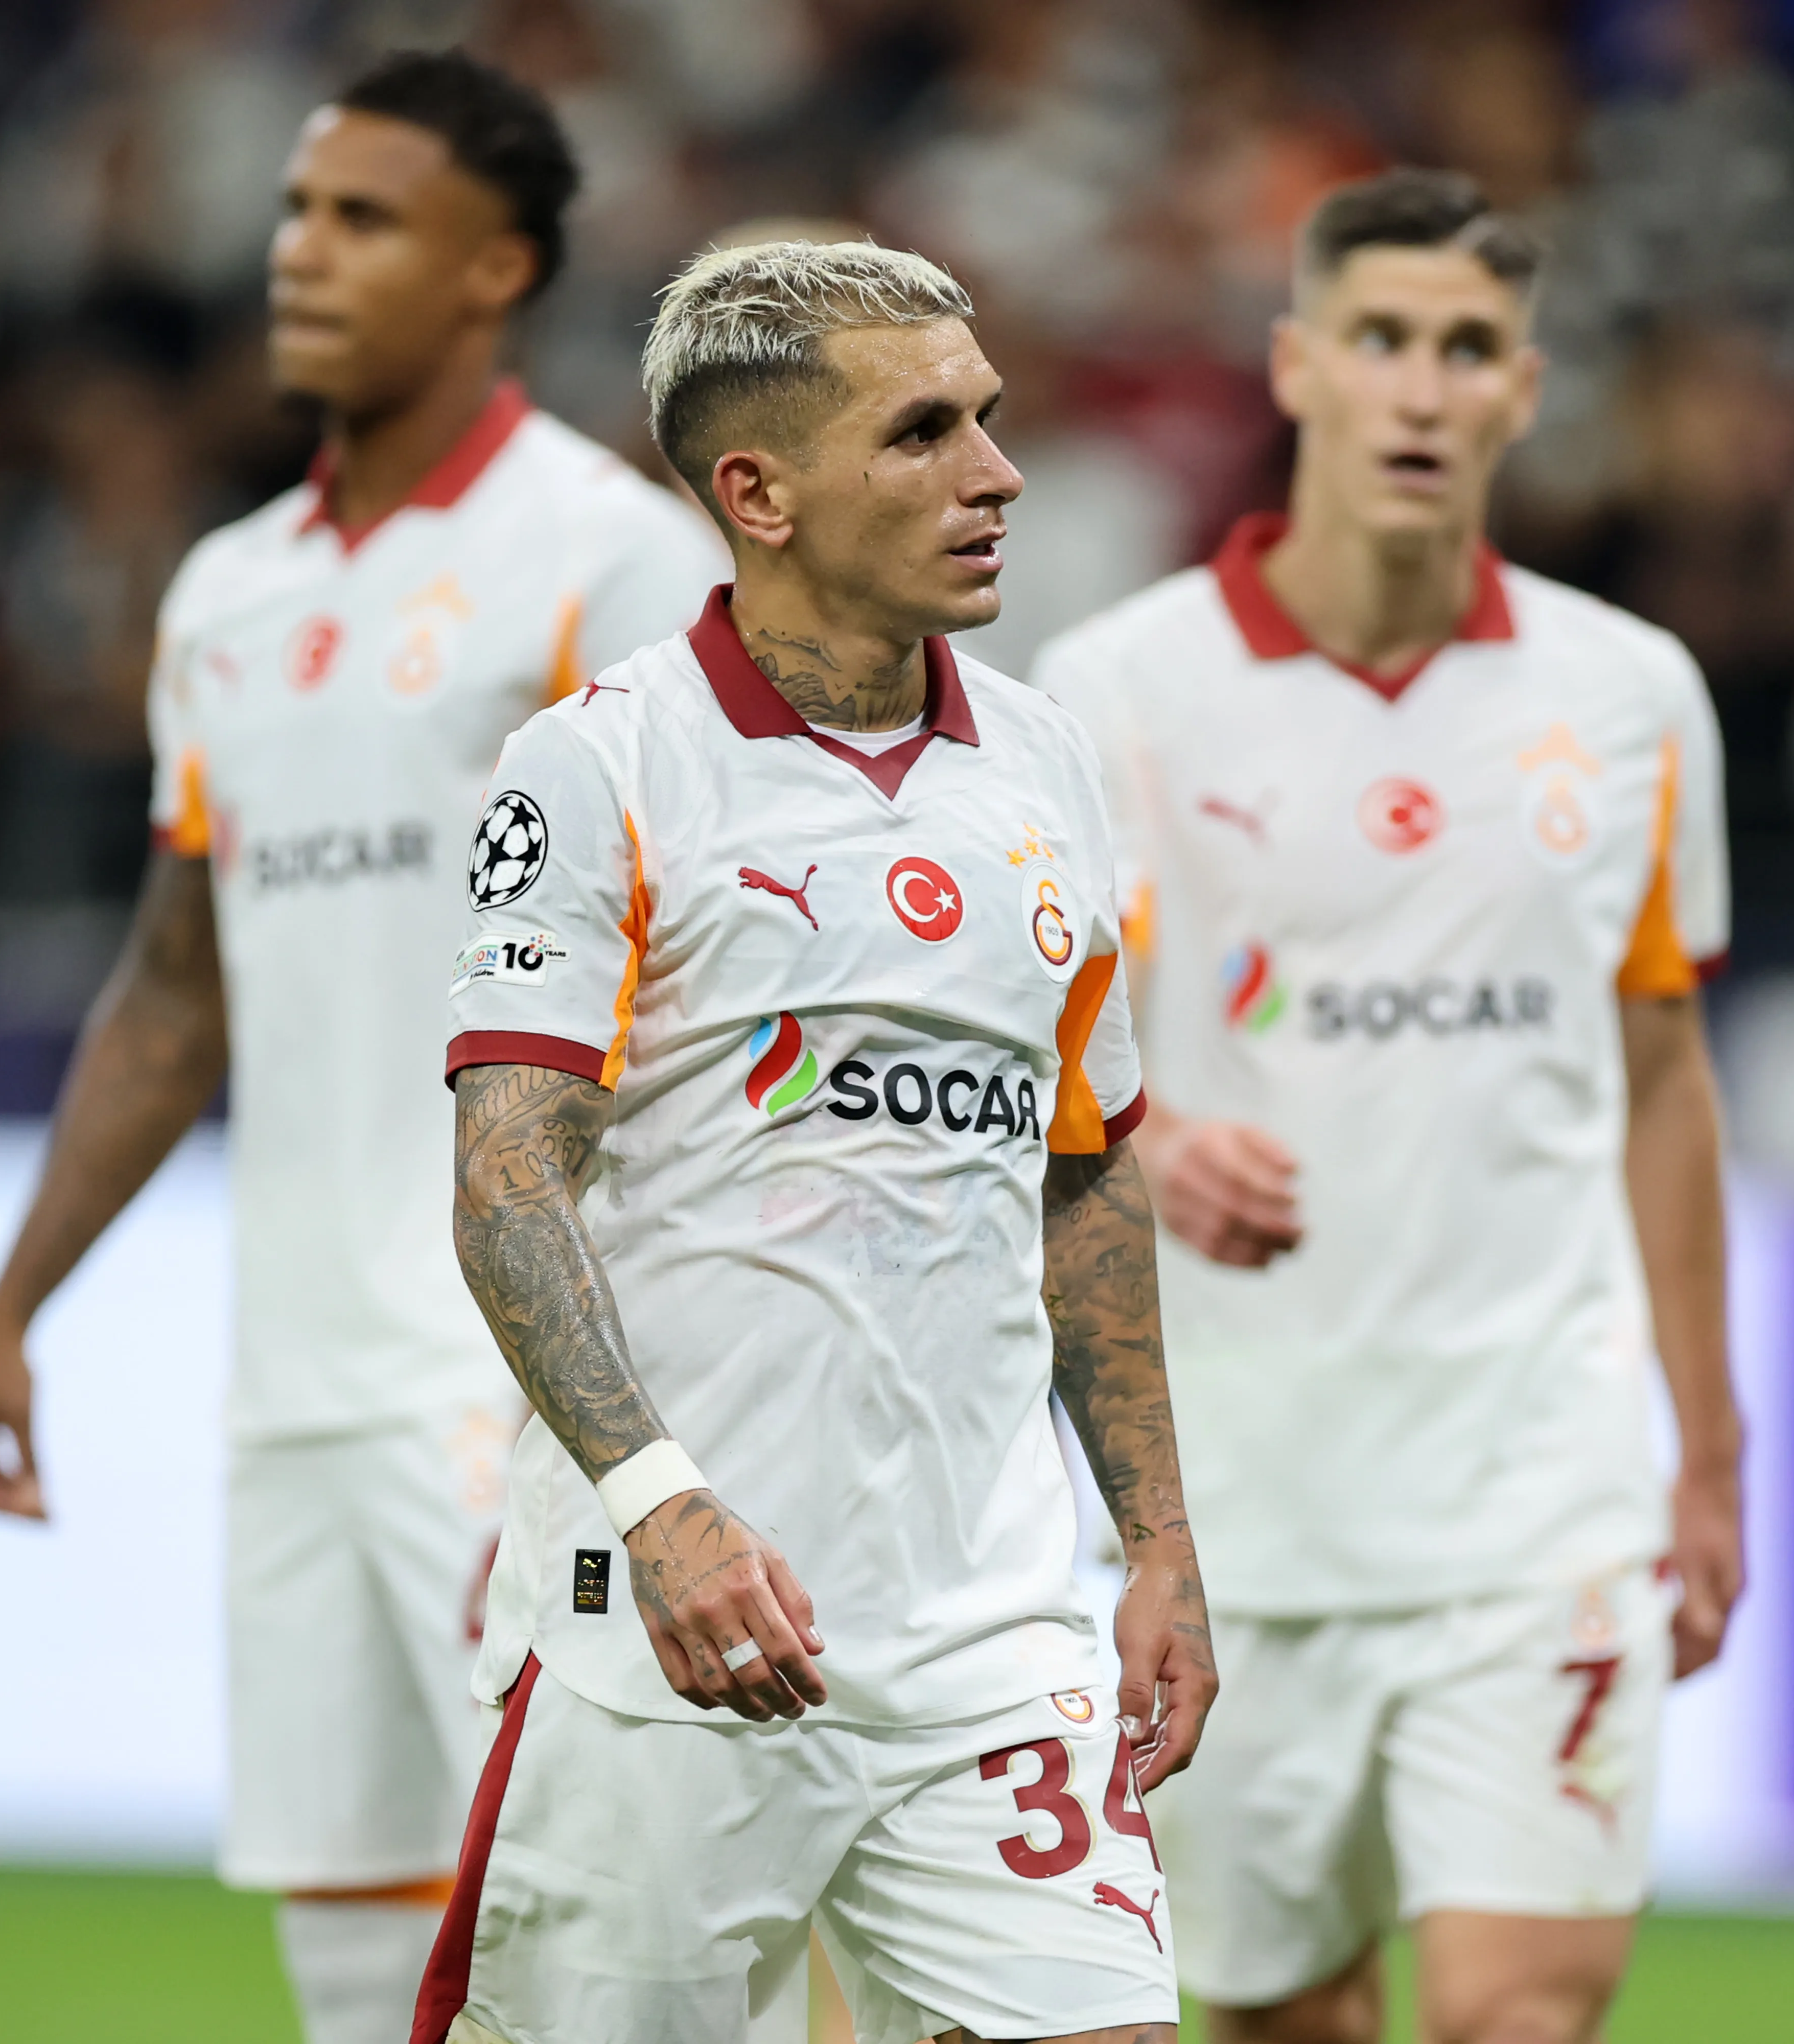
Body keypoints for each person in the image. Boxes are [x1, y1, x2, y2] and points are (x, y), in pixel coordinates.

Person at [0, 50, 724, 2044]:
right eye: (297, 210)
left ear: (497, 268)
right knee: (361, 1954)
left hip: (520, 1381)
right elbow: (177, 987)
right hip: (292, 1382)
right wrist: (21, 1296)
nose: (300, 253)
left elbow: (724, 967)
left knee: (598, 1938)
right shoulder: (230, 594)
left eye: (364, 218)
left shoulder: (609, 559)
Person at [414, 239, 1215, 2044]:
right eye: (924, 432)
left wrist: (1157, 1541)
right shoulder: (603, 769)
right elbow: (506, 1177)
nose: (996, 473)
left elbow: (1085, 1168)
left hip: (988, 1650)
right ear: (755, 492)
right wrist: (664, 1505)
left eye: (989, 423)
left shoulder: (1048, 770)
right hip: (674, 1644)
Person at [1034, 170, 1744, 2044]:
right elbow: (1028, 1061)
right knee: (1286, 2016)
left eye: (1467, 351)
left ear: (1524, 390)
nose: (1422, 390)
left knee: (1521, 2015)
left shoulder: (1632, 695)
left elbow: (1665, 1083)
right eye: (1381, 342)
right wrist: (1157, 1139)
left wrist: (1712, 1447)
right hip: (1244, 1507)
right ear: (1298, 369)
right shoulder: (1118, 695)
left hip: (1540, 1493)